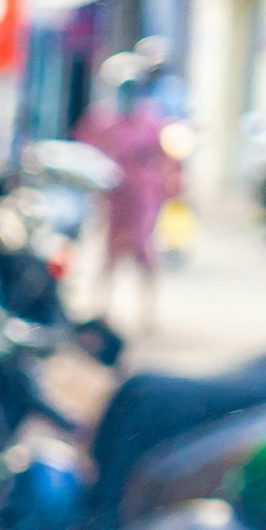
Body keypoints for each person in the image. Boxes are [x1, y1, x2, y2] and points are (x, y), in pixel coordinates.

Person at [72, 53, 179, 334]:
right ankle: (100, 310)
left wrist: (167, 186)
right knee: (109, 254)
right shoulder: (101, 120)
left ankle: (148, 314)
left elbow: (165, 158)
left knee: (146, 255)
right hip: (113, 196)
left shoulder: (151, 121)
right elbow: (85, 154)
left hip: (143, 196)